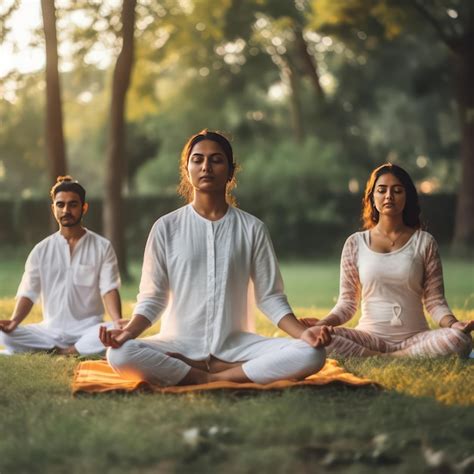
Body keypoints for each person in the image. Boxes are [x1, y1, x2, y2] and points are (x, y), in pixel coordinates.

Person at [100, 130, 333, 386]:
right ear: (187, 169)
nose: (206, 167)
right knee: (119, 354)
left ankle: (216, 374)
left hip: (238, 345)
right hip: (177, 343)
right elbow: (153, 298)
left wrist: (304, 333)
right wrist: (127, 333)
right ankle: (209, 373)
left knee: (311, 353)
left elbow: (270, 297)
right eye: (197, 159)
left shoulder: (252, 228)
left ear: (231, 171)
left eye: (216, 160)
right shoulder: (166, 227)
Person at [302, 163, 473, 357]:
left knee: (460, 340)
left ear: (407, 197)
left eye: (397, 191)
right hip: (368, 337)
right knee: (317, 337)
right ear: (372, 197)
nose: (389, 196)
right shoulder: (355, 243)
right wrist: (322, 324)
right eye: (382, 190)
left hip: (416, 338)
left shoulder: (425, 242)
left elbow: (435, 302)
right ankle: (397, 356)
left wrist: (453, 324)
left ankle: (383, 356)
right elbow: (347, 304)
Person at [0, 176, 124, 356]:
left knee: (115, 329)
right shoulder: (40, 250)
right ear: (53, 209)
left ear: (84, 207)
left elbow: (109, 289)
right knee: (5, 335)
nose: (66, 210)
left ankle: (63, 351)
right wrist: (13, 321)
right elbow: (29, 292)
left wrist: (118, 321)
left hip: (89, 330)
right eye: (60, 205)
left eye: (73, 204)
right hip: (50, 331)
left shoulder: (102, 246)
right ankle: (70, 351)